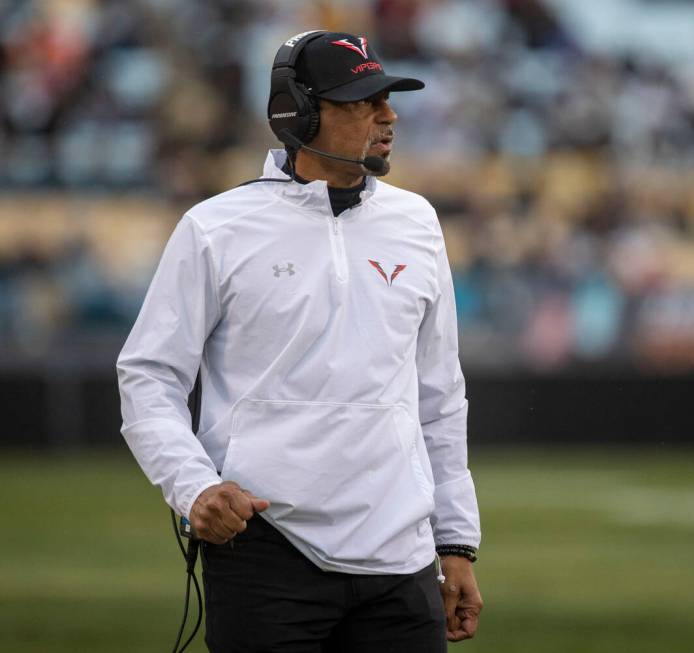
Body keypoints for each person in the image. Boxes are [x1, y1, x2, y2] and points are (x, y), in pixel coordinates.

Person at [117, 30, 482, 652]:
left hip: (402, 556)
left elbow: (439, 394)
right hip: (266, 550)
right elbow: (149, 376)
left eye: (385, 100)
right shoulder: (215, 229)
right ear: (297, 112)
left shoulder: (417, 222)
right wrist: (195, 488)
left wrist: (455, 542)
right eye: (361, 102)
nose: (387, 116)